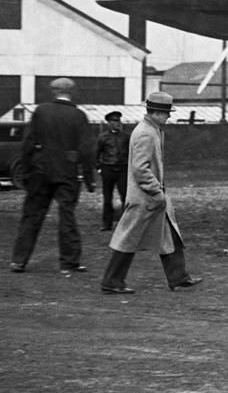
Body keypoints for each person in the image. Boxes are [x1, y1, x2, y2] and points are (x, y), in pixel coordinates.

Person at [99, 92, 201, 295]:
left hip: (152, 198)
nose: (169, 116)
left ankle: (179, 278)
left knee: (170, 234)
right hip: (145, 198)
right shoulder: (146, 132)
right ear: (155, 113)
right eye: (165, 113)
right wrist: (156, 192)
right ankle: (111, 281)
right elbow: (140, 169)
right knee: (127, 240)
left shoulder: (152, 129)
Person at [10, 77, 96, 274]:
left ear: (52, 91)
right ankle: (69, 261)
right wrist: (90, 179)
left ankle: (19, 260)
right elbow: (85, 150)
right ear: (72, 92)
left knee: (32, 215)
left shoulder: (41, 111)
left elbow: (28, 143)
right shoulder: (78, 115)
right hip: (67, 172)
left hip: (41, 171)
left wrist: (25, 170)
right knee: (67, 215)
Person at [95, 110, 129, 231]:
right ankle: (106, 223)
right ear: (108, 123)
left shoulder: (125, 137)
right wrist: (99, 168)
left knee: (125, 197)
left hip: (122, 170)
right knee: (107, 198)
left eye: (118, 121)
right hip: (108, 169)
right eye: (113, 121)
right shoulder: (103, 137)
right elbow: (96, 154)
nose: (116, 123)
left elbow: (131, 153)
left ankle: (126, 223)